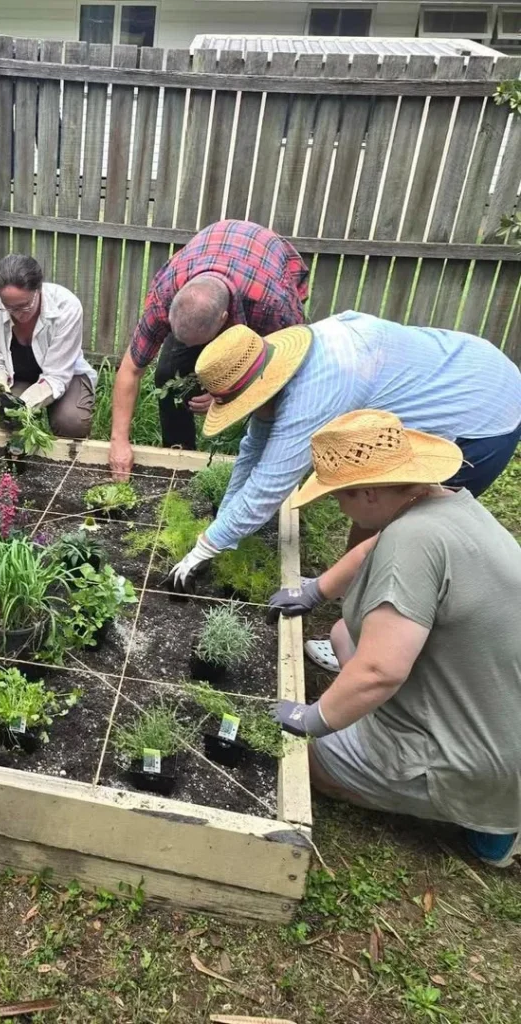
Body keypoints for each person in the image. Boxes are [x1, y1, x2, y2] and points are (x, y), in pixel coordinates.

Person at [270, 410, 521, 869]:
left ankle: (492, 821)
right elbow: (371, 549)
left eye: (339, 496)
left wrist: (313, 718)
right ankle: (496, 800)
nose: (338, 507)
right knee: (346, 631)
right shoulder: (446, 505)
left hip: (475, 754)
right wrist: (315, 591)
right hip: (500, 709)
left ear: (367, 493)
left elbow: (380, 671)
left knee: (303, 762)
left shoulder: (414, 542)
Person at [166, 311, 521, 592]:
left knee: (407, 532)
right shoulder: (275, 367)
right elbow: (253, 450)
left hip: (482, 412)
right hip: (463, 363)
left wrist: (204, 548)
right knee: (372, 507)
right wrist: (218, 530)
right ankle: (341, 589)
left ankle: (367, 638)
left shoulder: (317, 391)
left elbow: (268, 487)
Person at [109, 220, 308, 477]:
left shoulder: (272, 306)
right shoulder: (165, 295)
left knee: (268, 394)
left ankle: (258, 461)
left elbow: (281, 369)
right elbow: (131, 369)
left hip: (263, 264)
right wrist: (119, 441)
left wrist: (226, 392)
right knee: (168, 371)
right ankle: (179, 457)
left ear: (224, 318)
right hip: (209, 257)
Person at [0, 253, 97, 439]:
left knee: (72, 421)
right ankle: (19, 463)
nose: (18, 314)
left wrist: (25, 403)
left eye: (25, 306)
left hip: (66, 375)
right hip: (15, 377)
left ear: (38, 290)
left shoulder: (67, 307)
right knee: (9, 418)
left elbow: (57, 376)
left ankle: (67, 459)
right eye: (8, 307)